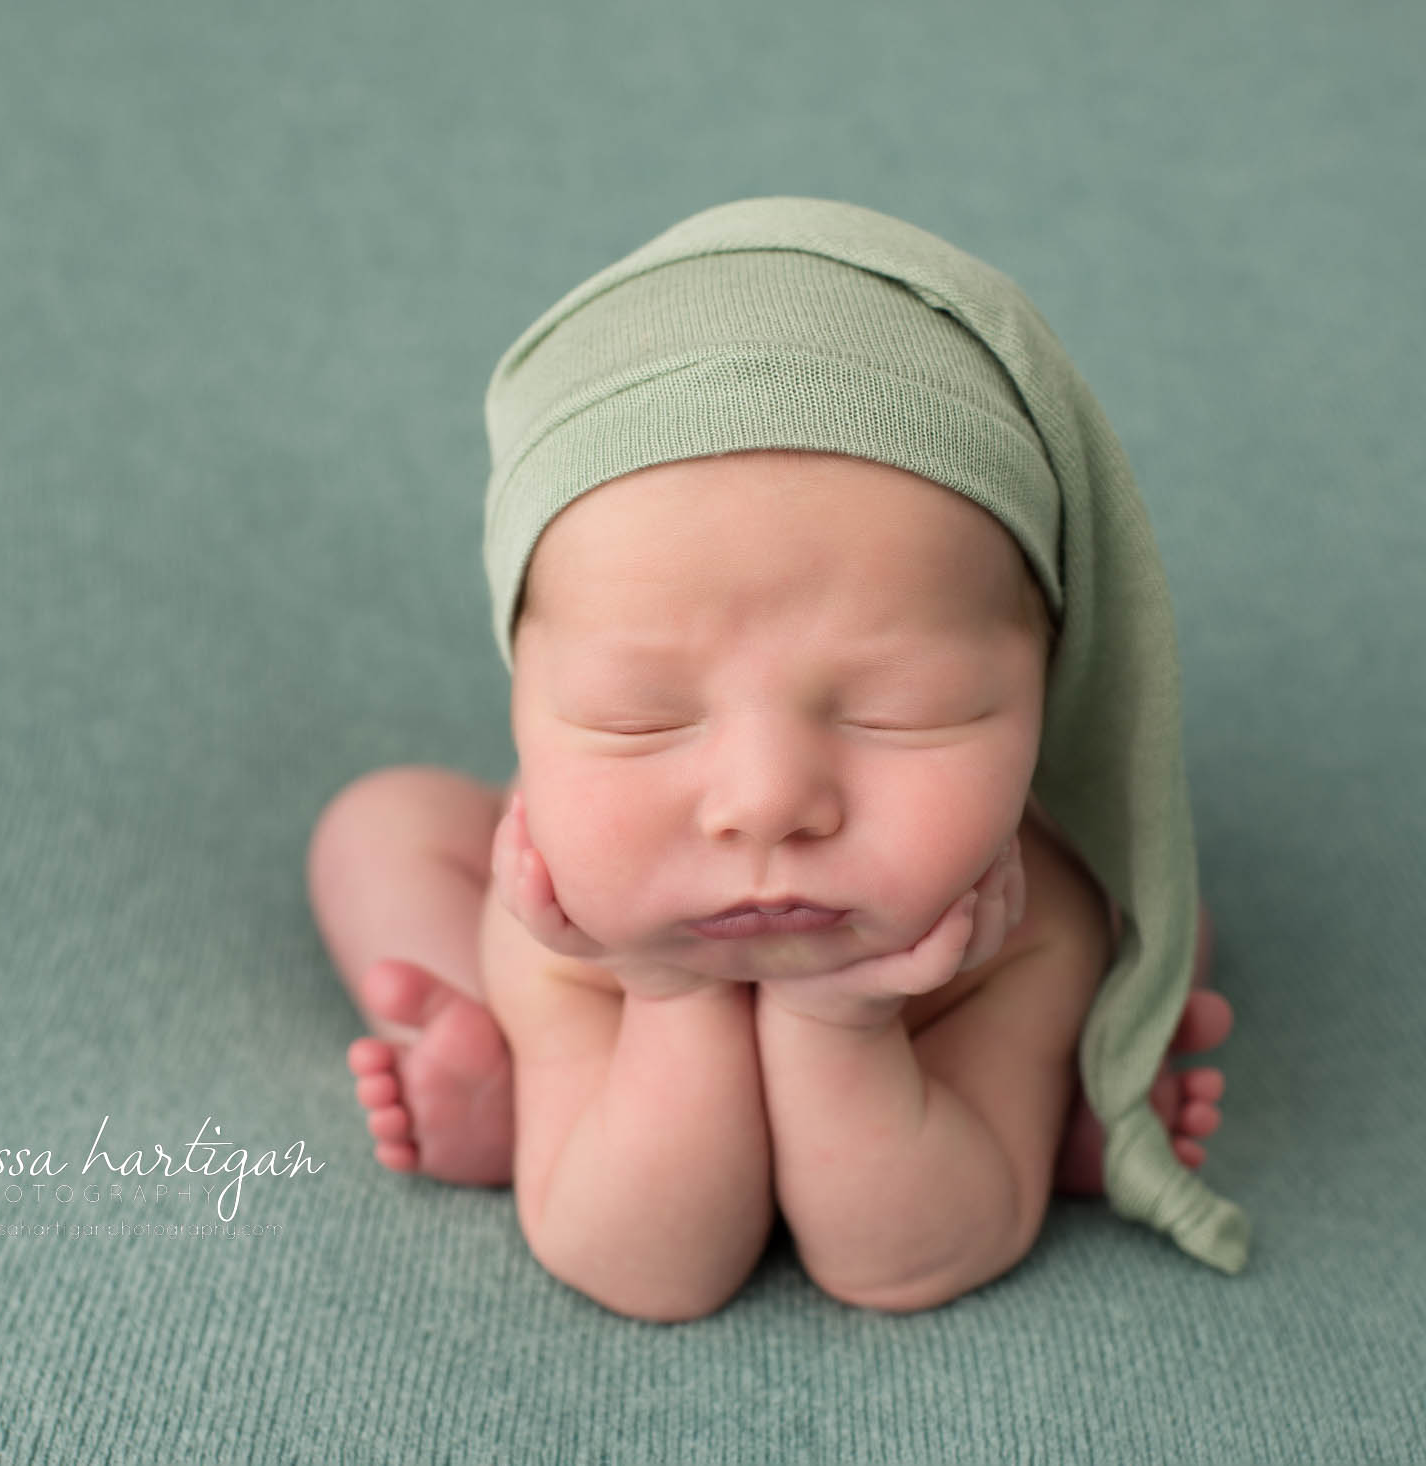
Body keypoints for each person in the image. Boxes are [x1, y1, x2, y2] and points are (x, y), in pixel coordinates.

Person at [307, 198, 1250, 1322]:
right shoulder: (556, 903)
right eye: (637, 714)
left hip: (937, 996)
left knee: (1161, 915)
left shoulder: (1011, 923)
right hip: (614, 949)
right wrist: (661, 992)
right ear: (525, 696)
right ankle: (495, 1061)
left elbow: (903, 1262)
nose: (765, 800)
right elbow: (648, 1268)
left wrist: (836, 1025)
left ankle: (1066, 1084)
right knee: (382, 826)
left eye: (903, 708)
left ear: (1051, 684)